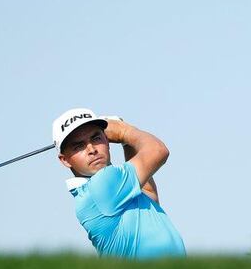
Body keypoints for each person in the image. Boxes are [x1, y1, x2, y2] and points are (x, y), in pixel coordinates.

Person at [52, 108, 186, 259]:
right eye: (79, 146)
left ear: (106, 140)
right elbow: (158, 150)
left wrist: (126, 143)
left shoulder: (111, 189)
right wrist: (124, 131)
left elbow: (148, 193)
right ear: (64, 160)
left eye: (96, 138)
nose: (92, 149)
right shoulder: (100, 186)